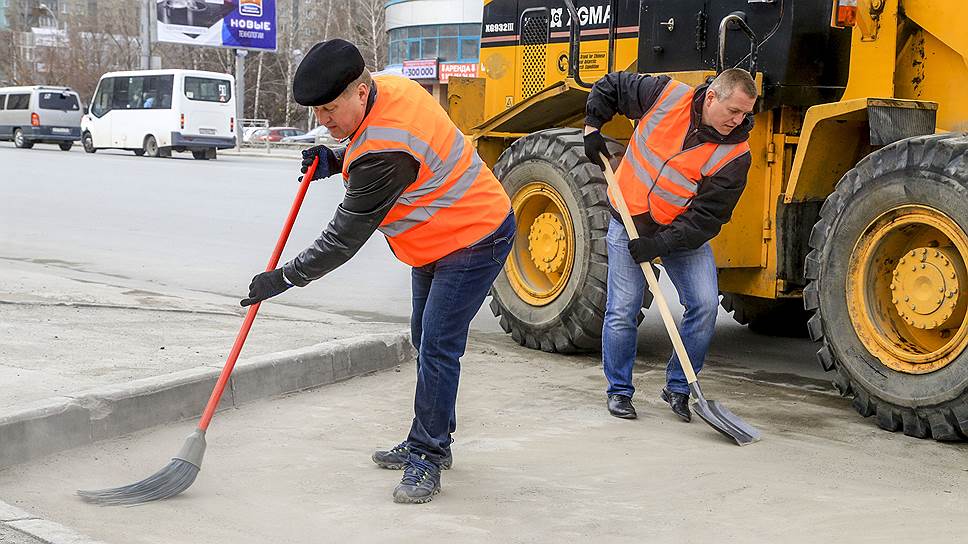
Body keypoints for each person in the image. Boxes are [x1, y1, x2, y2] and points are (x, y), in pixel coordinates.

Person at [240, 39, 514, 504]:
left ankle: (427, 455)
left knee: (439, 346)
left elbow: (342, 240)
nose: (321, 121)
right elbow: (369, 144)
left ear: (360, 93)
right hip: (434, 241)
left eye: (328, 109)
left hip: (474, 237)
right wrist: (335, 159)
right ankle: (432, 434)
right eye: (316, 112)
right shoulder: (388, 89)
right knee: (424, 340)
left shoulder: (386, 151)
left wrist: (283, 278)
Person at [582, 68, 757, 422]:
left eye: (745, 114)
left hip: (681, 235)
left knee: (705, 305)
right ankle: (619, 391)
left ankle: (678, 387)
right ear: (711, 98)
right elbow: (612, 85)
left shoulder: (736, 154)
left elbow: (707, 218)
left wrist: (660, 243)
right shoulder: (665, 95)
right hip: (628, 219)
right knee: (623, 309)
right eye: (733, 111)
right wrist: (592, 127)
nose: (738, 121)